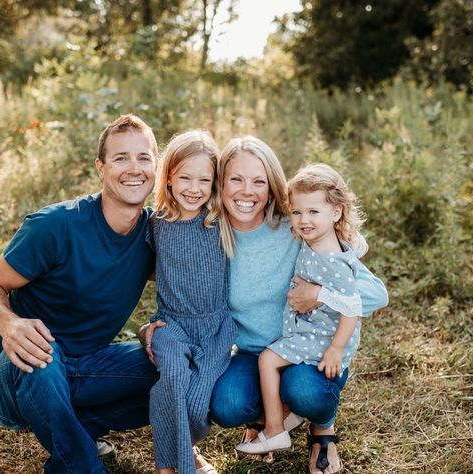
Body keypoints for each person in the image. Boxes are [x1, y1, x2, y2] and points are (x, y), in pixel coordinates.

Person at [141, 136, 387, 474]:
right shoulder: (210, 232)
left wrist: (318, 294)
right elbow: (172, 273)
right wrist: (148, 327)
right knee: (226, 404)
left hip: (307, 351)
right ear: (220, 184)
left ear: (271, 188)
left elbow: (374, 294)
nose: (247, 192)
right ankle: (267, 416)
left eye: (259, 181)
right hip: (253, 353)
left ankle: (322, 427)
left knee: (305, 391)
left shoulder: (297, 229)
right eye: (236, 180)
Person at [0, 114, 160, 474]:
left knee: (182, 362)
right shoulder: (55, 226)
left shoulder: (155, 234)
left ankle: (79, 428)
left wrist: (156, 327)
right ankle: (82, 466)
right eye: (120, 158)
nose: (133, 168)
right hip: (22, 371)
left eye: (143, 157)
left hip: (91, 368)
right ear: (100, 168)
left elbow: (194, 287)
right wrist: (10, 326)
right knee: (42, 354)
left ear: (156, 168)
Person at [235, 163, 375, 474]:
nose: (303, 220)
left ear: (336, 213)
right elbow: (353, 245)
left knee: (268, 361)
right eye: (297, 213)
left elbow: (352, 307)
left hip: (323, 339)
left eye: (313, 212)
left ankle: (275, 430)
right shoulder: (315, 241)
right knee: (269, 362)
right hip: (311, 332)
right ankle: (282, 419)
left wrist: (336, 348)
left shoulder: (332, 260)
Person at [146, 130, 237, 474]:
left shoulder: (221, 220)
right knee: (171, 379)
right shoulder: (156, 224)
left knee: (197, 405)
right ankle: (172, 467)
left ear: (215, 183)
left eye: (204, 179)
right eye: (184, 177)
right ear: (168, 176)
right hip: (172, 324)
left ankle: (186, 451)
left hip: (216, 327)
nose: (193, 188)